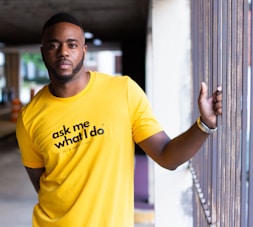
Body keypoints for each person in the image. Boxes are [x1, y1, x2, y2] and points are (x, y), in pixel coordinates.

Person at [16, 12, 222, 227]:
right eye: (53, 45)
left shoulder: (123, 92)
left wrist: (205, 125)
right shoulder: (29, 116)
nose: (63, 52)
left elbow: (167, 156)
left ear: (84, 51)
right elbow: (42, 185)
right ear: (43, 52)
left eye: (72, 45)